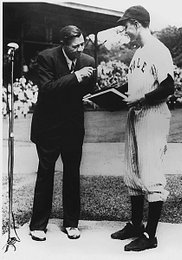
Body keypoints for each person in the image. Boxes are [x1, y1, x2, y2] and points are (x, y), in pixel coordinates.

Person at [111, 6, 174, 251]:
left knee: (151, 173)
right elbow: (135, 81)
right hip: (135, 114)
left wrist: (139, 100)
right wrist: (109, 93)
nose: (124, 30)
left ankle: (150, 236)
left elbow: (168, 87)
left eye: (126, 25)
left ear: (136, 24)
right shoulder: (139, 52)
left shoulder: (159, 50)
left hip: (152, 115)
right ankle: (136, 224)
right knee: (133, 170)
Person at [29, 25, 96, 241]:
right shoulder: (46, 58)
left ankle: (71, 223)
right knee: (45, 174)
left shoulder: (88, 61)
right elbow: (47, 89)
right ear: (63, 44)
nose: (80, 49)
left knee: (72, 174)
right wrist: (75, 76)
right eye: (75, 46)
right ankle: (38, 225)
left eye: (82, 44)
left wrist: (90, 98)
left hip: (73, 127)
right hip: (48, 127)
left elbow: (89, 89)